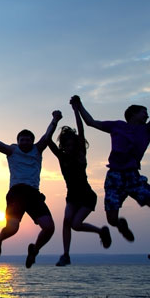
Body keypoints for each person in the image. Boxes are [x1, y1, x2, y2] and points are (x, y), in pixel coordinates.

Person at [74, 73, 150, 266]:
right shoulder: (117, 126)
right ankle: (120, 225)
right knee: (111, 220)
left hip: (133, 176)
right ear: (133, 114)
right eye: (144, 112)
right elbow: (91, 122)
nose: (147, 115)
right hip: (115, 177)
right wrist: (79, 105)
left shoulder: (147, 129)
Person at [0, 110, 62, 268]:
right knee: (13, 228)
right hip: (17, 193)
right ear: (18, 141)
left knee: (49, 228)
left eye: (28, 140)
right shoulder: (13, 150)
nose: (25, 142)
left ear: (32, 142)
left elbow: (47, 135)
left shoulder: (37, 149)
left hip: (34, 194)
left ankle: (34, 250)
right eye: (23, 140)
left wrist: (55, 119)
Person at [48, 98, 111, 266]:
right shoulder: (61, 157)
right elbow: (47, 141)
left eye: (72, 144)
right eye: (66, 144)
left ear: (75, 144)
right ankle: (66, 255)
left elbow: (82, 132)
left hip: (86, 195)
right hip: (72, 195)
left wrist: (76, 110)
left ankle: (100, 231)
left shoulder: (80, 153)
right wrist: (54, 120)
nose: (69, 147)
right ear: (63, 145)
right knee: (67, 221)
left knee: (75, 224)